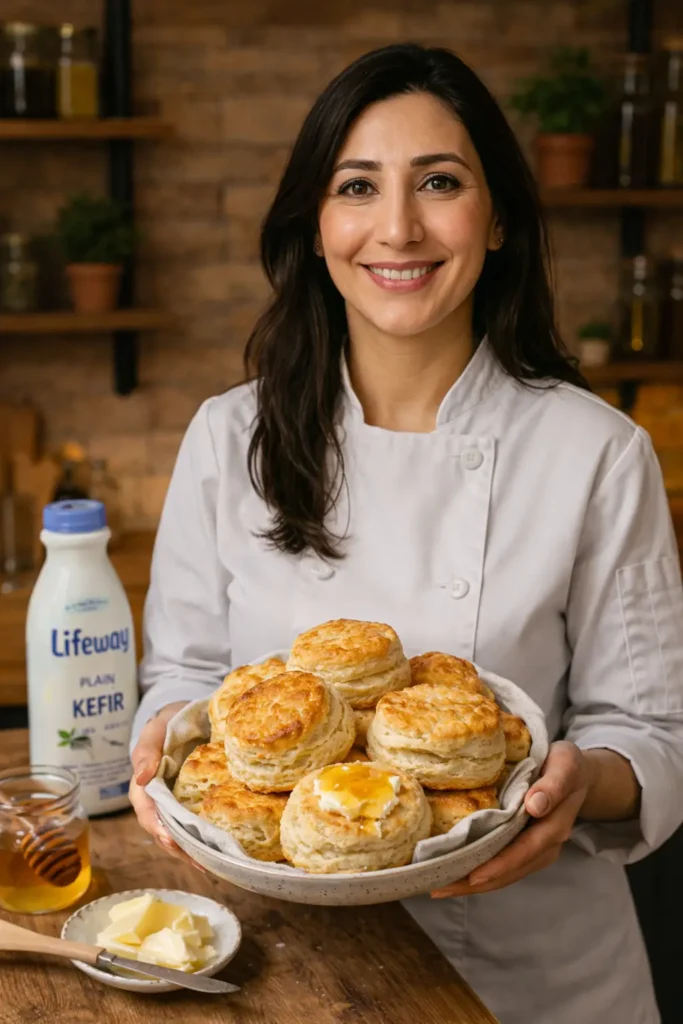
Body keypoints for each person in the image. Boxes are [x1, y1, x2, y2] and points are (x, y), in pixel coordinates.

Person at [128, 43, 683, 1024]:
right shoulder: (230, 438)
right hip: (285, 962)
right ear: (315, 223)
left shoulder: (596, 452)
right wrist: (162, 754)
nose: (397, 227)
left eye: (438, 182)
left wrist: (571, 784)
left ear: (498, 216)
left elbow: (646, 736)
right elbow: (184, 677)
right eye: (356, 185)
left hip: (533, 974)